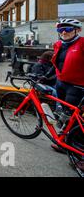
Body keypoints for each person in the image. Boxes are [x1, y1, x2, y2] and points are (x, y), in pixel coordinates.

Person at [50, 18, 84, 157]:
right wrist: (46, 76)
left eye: (68, 29)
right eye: (60, 29)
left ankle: (76, 148)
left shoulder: (82, 44)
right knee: (65, 113)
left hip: (77, 86)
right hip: (61, 83)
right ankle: (65, 140)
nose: (64, 32)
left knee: (73, 116)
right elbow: (56, 63)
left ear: (77, 30)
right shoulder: (58, 44)